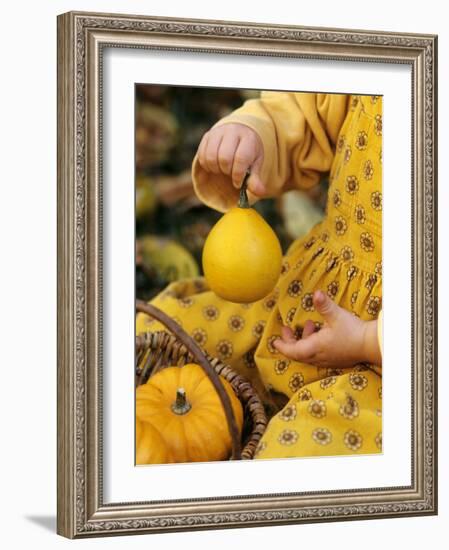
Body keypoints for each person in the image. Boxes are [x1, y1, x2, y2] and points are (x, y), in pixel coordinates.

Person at [137, 91, 383, 458]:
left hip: (399, 367)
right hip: (307, 292)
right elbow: (305, 110)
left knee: (299, 458)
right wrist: (256, 132)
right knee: (163, 334)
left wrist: (370, 340)